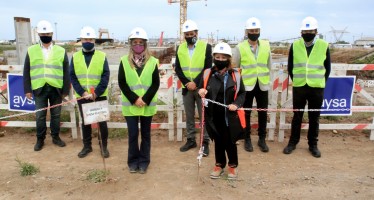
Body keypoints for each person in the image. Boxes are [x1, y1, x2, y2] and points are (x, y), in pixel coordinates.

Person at [283, 16, 331, 158]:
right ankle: (293, 142)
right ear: (301, 32)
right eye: (304, 31)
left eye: (310, 31)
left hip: (316, 88)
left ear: (316, 31)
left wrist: (319, 82)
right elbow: (291, 67)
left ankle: (313, 145)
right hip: (299, 87)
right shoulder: (295, 45)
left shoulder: (323, 45)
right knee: (297, 116)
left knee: (314, 117)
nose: (307, 33)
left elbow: (327, 68)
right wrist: (298, 80)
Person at [198, 42, 246, 180]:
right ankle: (219, 165)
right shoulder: (208, 73)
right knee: (218, 141)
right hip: (213, 116)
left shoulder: (235, 75)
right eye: (217, 57)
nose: (220, 60)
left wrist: (236, 104)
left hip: (229, 116)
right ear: (213, 57)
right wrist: (201, 91)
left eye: (223, 57)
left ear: (228, 59)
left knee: (230, 142)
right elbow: (202, 89)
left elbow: (242, 93)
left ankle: (232, 166)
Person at [23, 20, 70, 151]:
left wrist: (65, 89)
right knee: (40, 116)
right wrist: (27, 89)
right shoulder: (31, 50)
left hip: (56, 88)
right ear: (38, 34)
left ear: (52, 34)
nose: (45, 35)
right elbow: (26, 70)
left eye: (48, 33)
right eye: (43, 33)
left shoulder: (61, 51)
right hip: (39, 88)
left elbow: (66, 71)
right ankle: (40, 139)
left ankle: (55, 137)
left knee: (56, 115)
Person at [118, 27, 160, 174]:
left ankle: (144, 162)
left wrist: (145, 99)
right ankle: (133, 161)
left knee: (146, 135)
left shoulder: (153, 61)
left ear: (145, 44)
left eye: (141, 42)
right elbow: (122, 83)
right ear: (130, 44)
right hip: (131, 105)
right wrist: (135, 99)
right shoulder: (124, 61)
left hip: (147, 105)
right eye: (135, 42)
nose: (138, 45)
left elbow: (155, 83)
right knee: (133, 134)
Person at [70, 26, 110, 158]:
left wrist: (96, 92)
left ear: (94, 40)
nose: (88, 41)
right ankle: (87, 146)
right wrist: (82, 93)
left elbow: (105, 76)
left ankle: (103, 146)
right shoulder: (75, 57)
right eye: (85, 39)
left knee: (102, 122)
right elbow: (73, 77)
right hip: (83, 96)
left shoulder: (102, 56)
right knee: (85, 122)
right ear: (81, 40)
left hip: (99, 95)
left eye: (90, 39)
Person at [233, 17, 272, 153]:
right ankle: (247, 138)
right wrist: (238, 86)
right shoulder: (240, 47)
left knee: (262, 113)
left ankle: (262, 139)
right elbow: (235, 67)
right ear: (246, 31)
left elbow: (269, 66)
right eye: (251, 30)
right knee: (247, 113)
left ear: (259, 31)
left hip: (262, 85)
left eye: (256, 30)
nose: (254, 33)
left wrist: (267, 81)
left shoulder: (266, 45)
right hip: (247, 86)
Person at [174, 19, 212, 156]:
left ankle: (205, 142)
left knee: (204, 116)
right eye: (187, 34)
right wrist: (186, 83)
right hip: (187, 88)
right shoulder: (180, 48)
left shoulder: (206, 47)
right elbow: (178, 68)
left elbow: (208, 68)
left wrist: (196, 83)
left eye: (192, 33)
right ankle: (191, 140)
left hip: (201, 88)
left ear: (197, 33)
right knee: (189, 115)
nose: (189, 36)